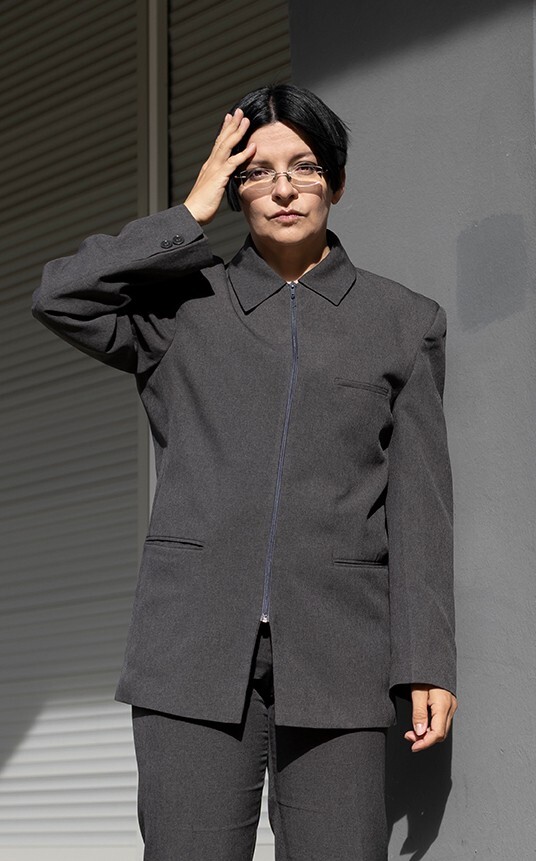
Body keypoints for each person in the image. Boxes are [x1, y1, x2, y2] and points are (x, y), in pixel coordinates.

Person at [32, 84, 457, 860]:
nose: (285, 187)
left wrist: (425, 658)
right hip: (190, 651)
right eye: (258, 171)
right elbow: (59, 294)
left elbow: (420, 507)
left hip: (340, 654)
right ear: (233, 186)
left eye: (305, 165)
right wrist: (186, 216)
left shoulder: (403, 323)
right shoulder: (179, 309)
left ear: (336, 179)